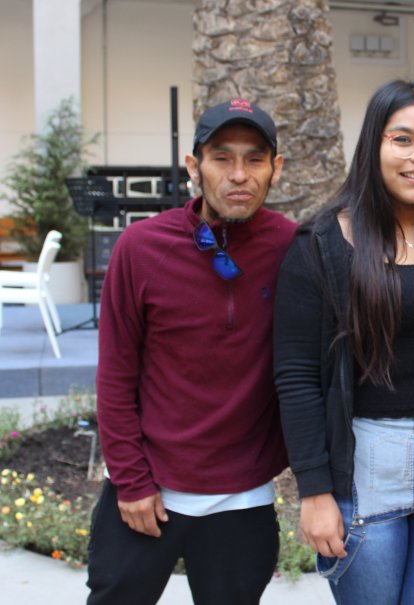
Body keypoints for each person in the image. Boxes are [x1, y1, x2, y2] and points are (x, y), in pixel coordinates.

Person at [273, 79, 414, 605]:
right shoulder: (321, 243)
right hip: (363, 466)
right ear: (374, 143)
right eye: (403, 139)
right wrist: (314, 490)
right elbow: (297, 376)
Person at [87, 98, 296, 605]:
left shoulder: (294, 248)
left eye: (254, 159)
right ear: (193, 166)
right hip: (147, 491)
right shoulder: (141, 248)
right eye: (221, 157)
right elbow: (115, 375)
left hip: (242, 498)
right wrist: (131, 482)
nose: (239, 174)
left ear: (275, 168)